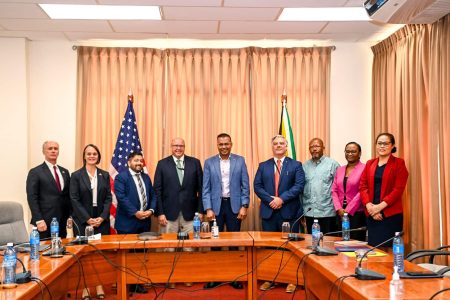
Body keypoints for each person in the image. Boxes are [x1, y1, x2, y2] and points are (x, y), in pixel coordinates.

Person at [254, 135, 305, 293]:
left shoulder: (296, 165)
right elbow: (257, 186)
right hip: (269, 212)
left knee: (289, 247)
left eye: (281, 143)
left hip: (289, 212)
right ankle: (271, 278)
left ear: (286, 146)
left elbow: (299, 186)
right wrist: (272, 200)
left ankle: (291, 279)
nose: (278, 146)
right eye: (275, 143)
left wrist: (281, 199)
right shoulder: (263, 165)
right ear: (272, 146)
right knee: (270, 248)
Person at [202, 133, 250, 290]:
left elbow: (245, 185)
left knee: (234, 243)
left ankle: (234, 277)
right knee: (215, 243)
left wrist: (244, 205)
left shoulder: (240, 160)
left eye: (226, 144)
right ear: (217, 145)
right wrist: (208, 208)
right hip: (215, 208)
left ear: (231, 144)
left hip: (234, 207)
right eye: (221, 144)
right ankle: (215, 277)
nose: (224, 147)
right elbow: (206, 188)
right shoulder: (209, 162)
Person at [154, 137, 203, 288]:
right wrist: (160, 213)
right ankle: (171, 278)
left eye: (181, 145)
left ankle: (187, 275)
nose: (178, 148)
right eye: (175, 145)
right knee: (169, 247)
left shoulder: (195, 162)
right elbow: (158, 190)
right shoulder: (162, 164)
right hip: (168, 214)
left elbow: (201, 189)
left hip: (191, 213)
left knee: (189, 247)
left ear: (184, 147)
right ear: (171, 146)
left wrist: (200, 211)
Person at [70, 144, 112, 299]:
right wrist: (87, 219)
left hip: (101, 219)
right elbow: (74, 199)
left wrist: (102, 217)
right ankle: (85, 288)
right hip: (83, 220)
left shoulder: (105, 175)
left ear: (98, 156)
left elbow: (108, 198)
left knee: (99, 254)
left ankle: (99, 285)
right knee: (85, 255)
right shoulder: (76, 175)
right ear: (84, 156)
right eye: (89, 153)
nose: (92, 156)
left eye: (94, 153)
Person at [114, 152, 156, 294]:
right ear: (129, 162)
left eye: (141, 160)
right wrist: (135, 212)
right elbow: (121, 197)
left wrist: (150, 210)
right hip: (127, 223)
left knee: (141, 254)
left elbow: (153, 195)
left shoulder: (146, 177)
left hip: (144, 222)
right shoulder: (121, 177)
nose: (139, 163)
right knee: (127, 256)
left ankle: (137, 283)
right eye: (136, 160)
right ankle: (125, 284)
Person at [360, 133, 408, 247]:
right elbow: (362, 186)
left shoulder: (399, 163)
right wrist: (370, 206)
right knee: (373, 250)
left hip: (390, 215)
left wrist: (379, 207)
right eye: (379, 143)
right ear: (376, 145)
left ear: (392, 146)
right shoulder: (370, 163)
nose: (382, 146)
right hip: (372, 214)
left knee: (390, 251)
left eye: (386, 143)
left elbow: (398, 190)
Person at [26, 141, 71, 239]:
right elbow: (32, 197)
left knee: (62, 250)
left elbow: (68, 196)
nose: (53, 151)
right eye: (50, 148)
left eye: (56, 148)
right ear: (43, 151)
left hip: (62, 221)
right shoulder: (35, 172)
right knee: (44, 251)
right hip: (44, 221)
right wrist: (38, 219)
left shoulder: (65, 172)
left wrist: (70, 216)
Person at [303, 138, 340, 234]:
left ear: (323, 148)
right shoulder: (304, 166)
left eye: (317, 146)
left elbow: (339, 188)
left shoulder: (333, 164)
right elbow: (301, 189)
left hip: (327, 212)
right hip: (309, 212)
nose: (314, 149)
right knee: (312, 243)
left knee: (328, 243)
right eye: (312, 147)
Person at [332, 142, 366, 241]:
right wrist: (339, 208)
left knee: (356, 243)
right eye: (347, 151)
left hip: (357, 213)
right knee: (340, 243)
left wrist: (348, 210)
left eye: (353, 151)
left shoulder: (364, 168)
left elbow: (362, 191)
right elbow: (334, 190)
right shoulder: (340, 169)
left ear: (359, 153)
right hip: (340, 213)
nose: (350, 154)